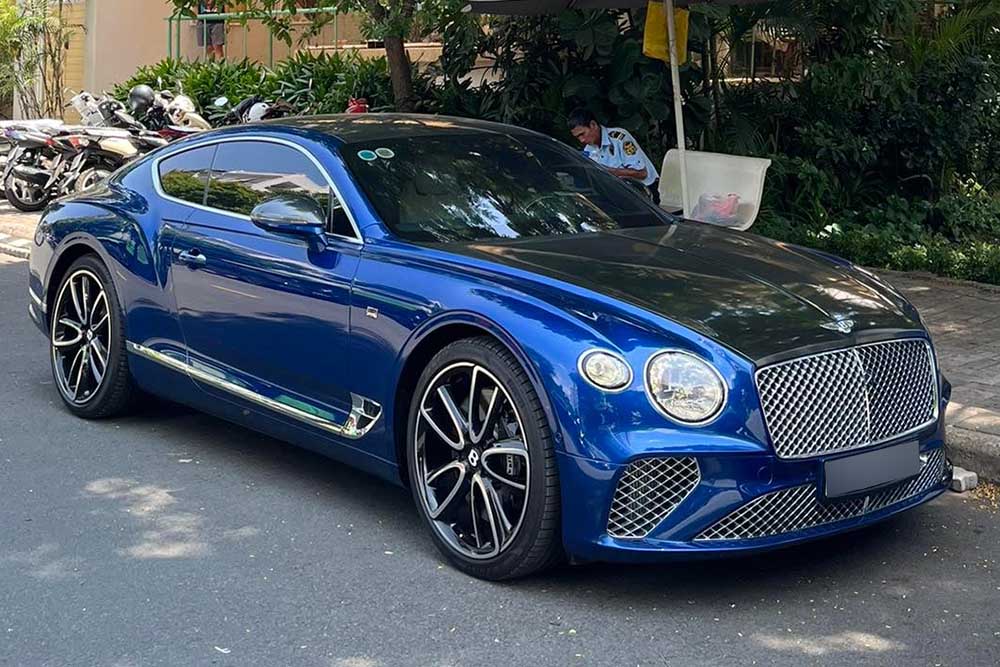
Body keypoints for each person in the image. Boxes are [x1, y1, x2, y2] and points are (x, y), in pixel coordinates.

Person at [567, 107, 660, 202]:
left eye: (583, 134)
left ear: (593, 125)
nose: (581, 140)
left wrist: (610, 172)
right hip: (620, 193)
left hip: (645, 192)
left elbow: (642, 173)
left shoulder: (619, 138)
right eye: (577, 137)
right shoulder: (589, 149)